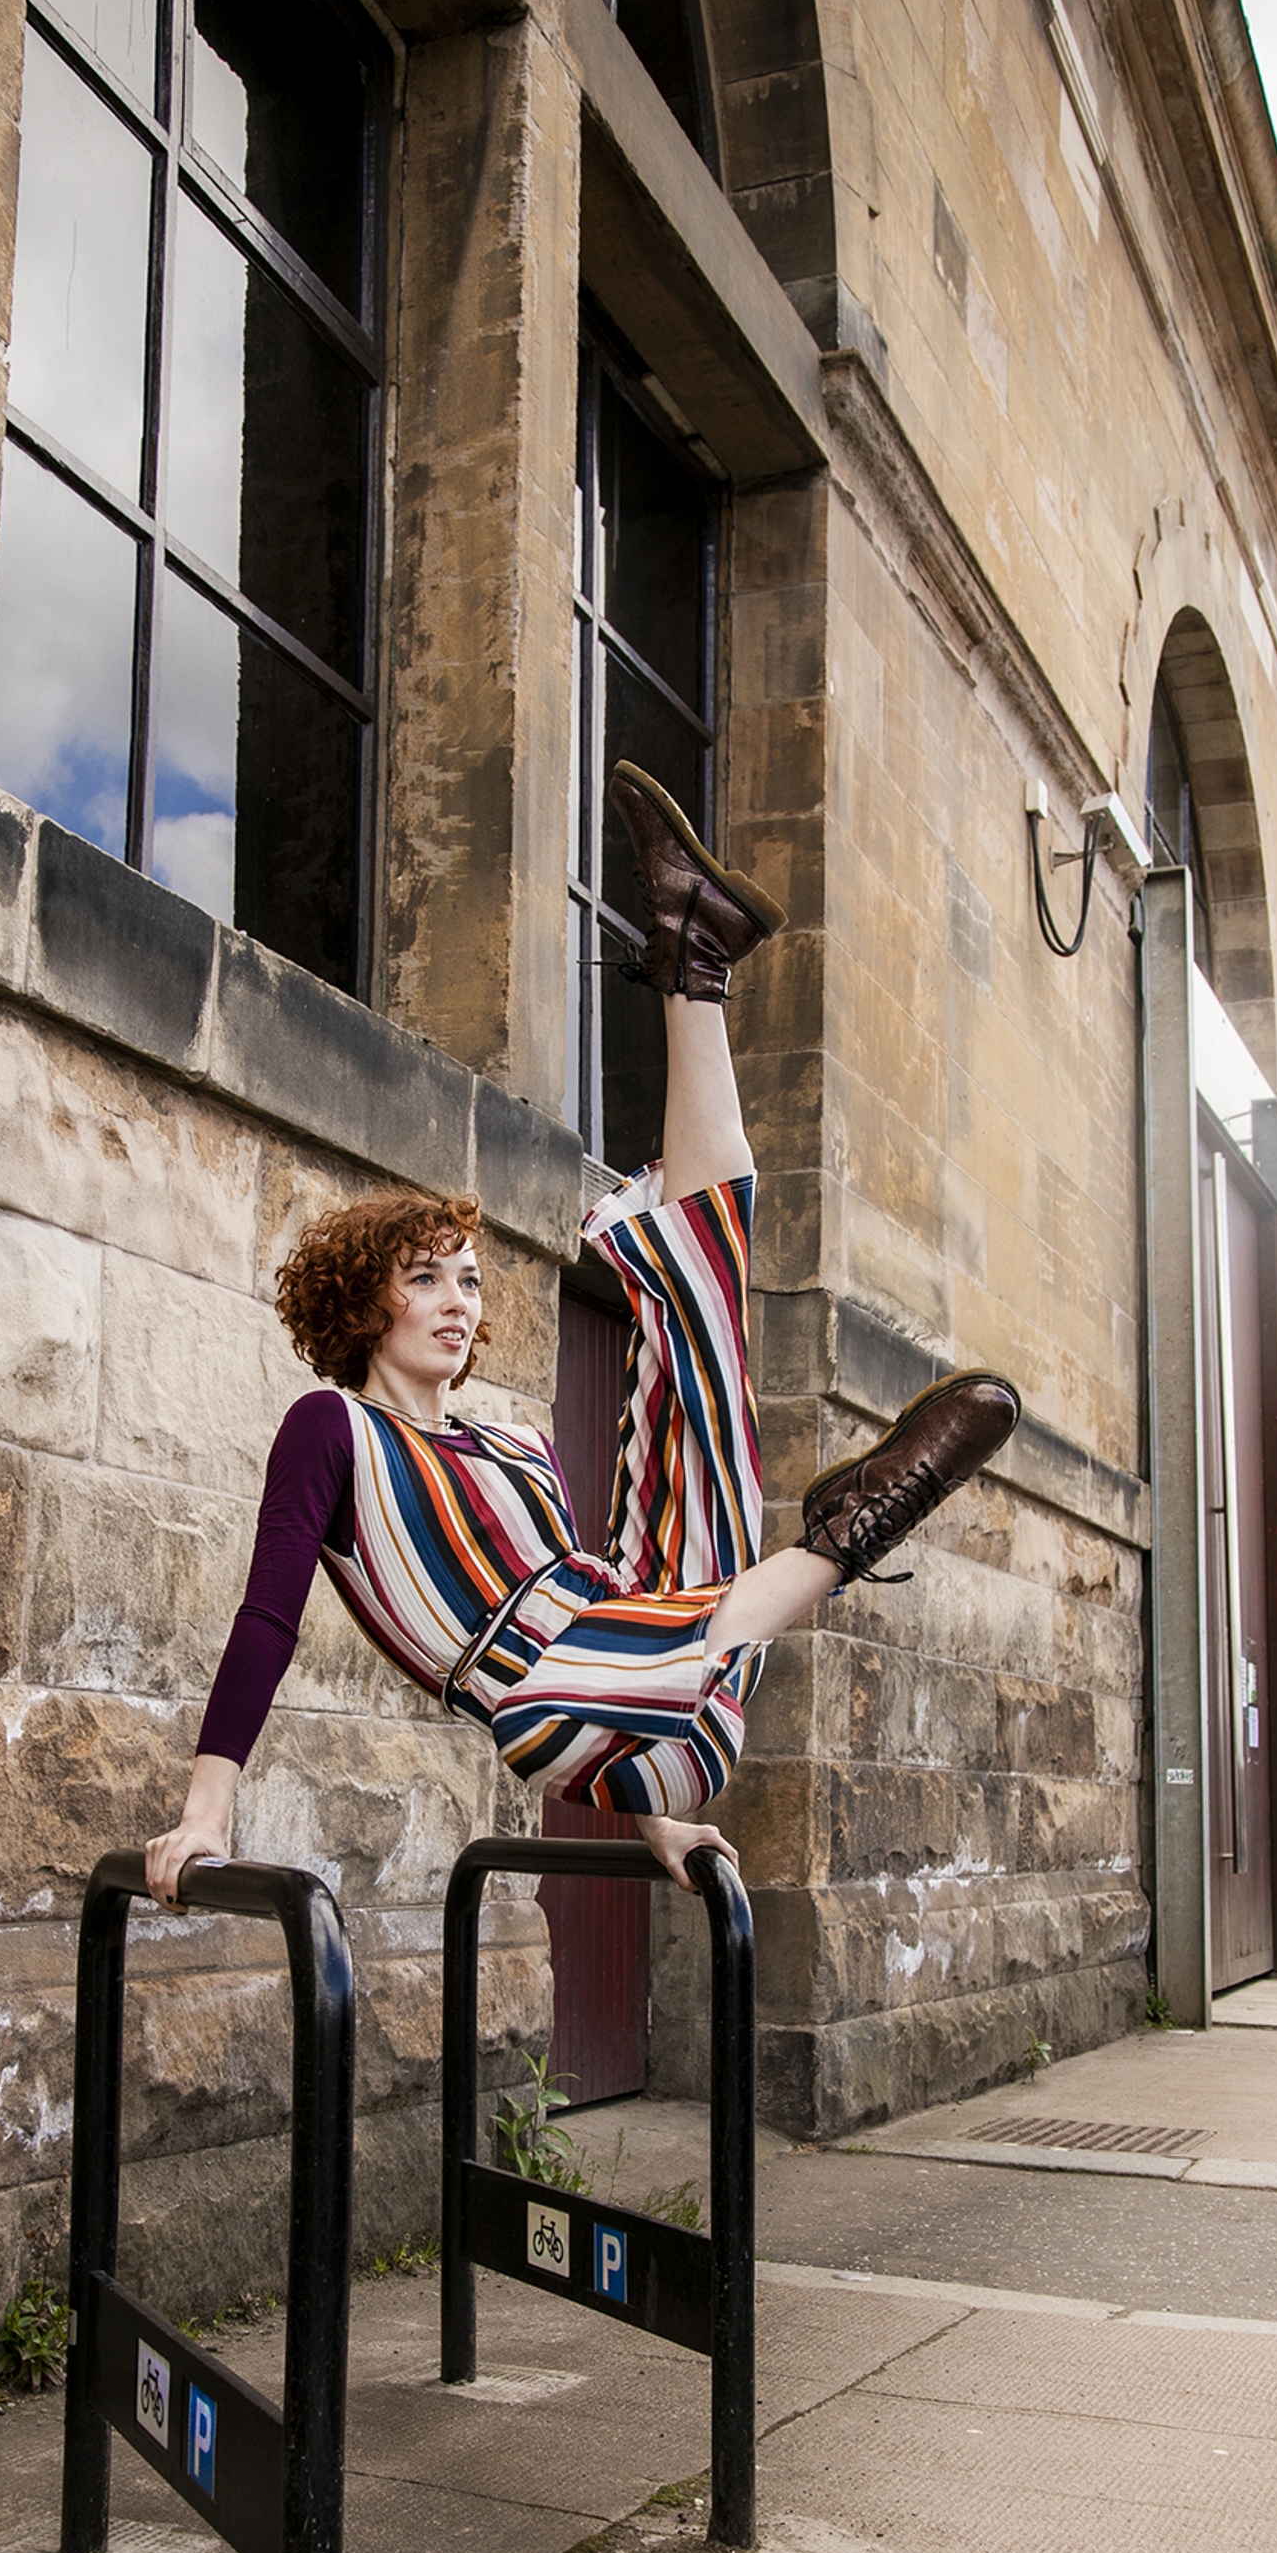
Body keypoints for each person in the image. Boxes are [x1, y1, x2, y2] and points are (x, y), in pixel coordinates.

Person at [145, 766, 1020, 1905]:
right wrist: (204, 1812)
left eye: (469, 1279)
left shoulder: (509, 1443)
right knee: (593, 1649)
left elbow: (619, 1593)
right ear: (367, 1305)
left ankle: (693, 958)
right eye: (427, 1281)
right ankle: (851, 1535)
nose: (461, 1301)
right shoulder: (331, 1434)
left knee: (700, 1302)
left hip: (662, 1685)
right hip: (548, 1695)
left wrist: (659, 1822)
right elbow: (267, 1613)